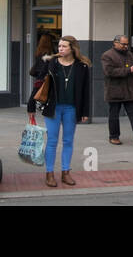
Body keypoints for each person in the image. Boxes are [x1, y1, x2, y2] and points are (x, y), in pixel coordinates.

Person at [36, 35, 91, 187]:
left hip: (71, 108)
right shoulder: (51, 62)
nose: (60, 49)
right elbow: (38, 81)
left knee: (68, 141)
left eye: (64, 46)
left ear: (72, 48)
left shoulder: (82, 66)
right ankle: (49, 174)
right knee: (52, 141)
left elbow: (86, 91)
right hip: (53, 107)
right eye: (59, 46)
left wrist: (85, 112)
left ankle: (66, 172)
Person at [101, 35, 133, 146]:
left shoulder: (128, 54)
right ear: (115, 43)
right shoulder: (107, 55)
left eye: (127, 44)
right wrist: (128, 70)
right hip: (114, 90)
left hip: (129, 89)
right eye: (123, 44)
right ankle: (114, 136)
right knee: (114, 114)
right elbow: (109, 72)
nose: (125, 46)